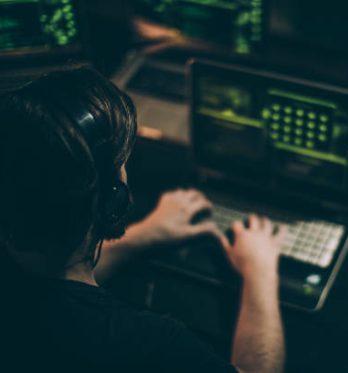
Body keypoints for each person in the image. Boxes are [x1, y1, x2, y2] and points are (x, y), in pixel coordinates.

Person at [0, 67, 286, 372]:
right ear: (114, 199)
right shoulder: (143, 345)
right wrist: (260, 273)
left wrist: (145, 234)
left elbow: (54, 275)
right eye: (122, 165)